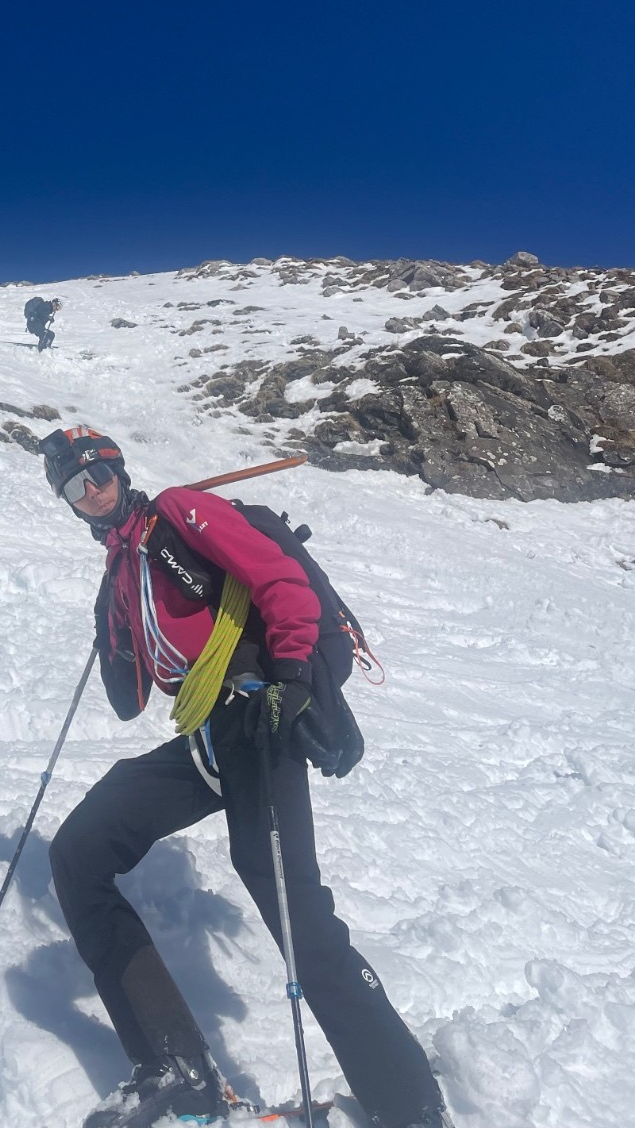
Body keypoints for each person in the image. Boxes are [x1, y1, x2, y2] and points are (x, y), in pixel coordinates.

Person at [37, 425, 453, 1128]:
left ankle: (408, 1099)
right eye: (74, 488)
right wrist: (112, 622)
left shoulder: (177, 514)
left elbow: (280, 579)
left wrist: (293, 677)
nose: (91, 492)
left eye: (97, 474)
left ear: (118, 469)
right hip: (204, 736)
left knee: (295, 912)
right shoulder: (123, 570)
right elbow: (130, 698)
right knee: (79, 850)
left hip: (259, 714)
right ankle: (175, 1064)